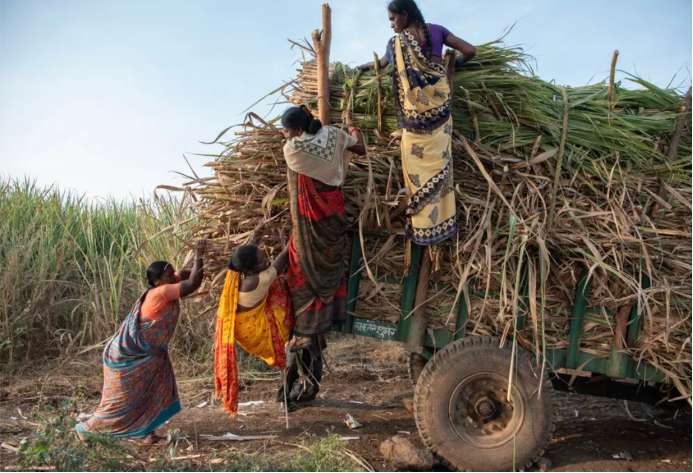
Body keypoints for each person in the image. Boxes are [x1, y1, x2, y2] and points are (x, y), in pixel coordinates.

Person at [357, 0, 477, 246]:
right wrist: (452, 65)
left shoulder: (396, 45)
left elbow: (382, 64)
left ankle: (424, 225)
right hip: (441, 109)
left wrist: (370, 66)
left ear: (403, 15)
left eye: (392, 20)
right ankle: (443, 221)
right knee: (442, 167)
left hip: (414, 120)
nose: (392, 26)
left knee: (415, 165)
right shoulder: (438, 30)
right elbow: (470, 50)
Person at [280, 105, 366, 409]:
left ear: (298, 131)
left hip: (309, 234)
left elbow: (297, 148)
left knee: (303, 316)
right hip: (332, 225)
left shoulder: (293, 151)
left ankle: (292, 391)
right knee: (306, 331)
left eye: (287, 129)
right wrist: (351, 127)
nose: (284, 135)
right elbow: (361, 149)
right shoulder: (334, 135)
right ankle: (305, 386)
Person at [76, 242, 206, 443]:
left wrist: (201, 249)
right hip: (127, 356)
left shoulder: (164, 286)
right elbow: (193, 283)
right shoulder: (160, 293)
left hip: (148, 355)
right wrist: (199, 253)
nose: (173, 277)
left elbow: (186, 272)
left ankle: (146, 434)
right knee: (119, 403)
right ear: (156, 281)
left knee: (150, 392)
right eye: (169, 276)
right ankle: (87, 430)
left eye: (172, 274)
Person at [214, 242, 294, 417]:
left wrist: (256, 236)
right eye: (260, 261)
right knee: (279, 284)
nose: (265, 261)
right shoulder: (259, 279)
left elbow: (244, 251)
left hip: (242, 330)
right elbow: (282, 257)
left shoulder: (236, 275)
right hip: (255, 331)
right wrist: (295, 235)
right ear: (250, 270)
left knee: (275, 283)